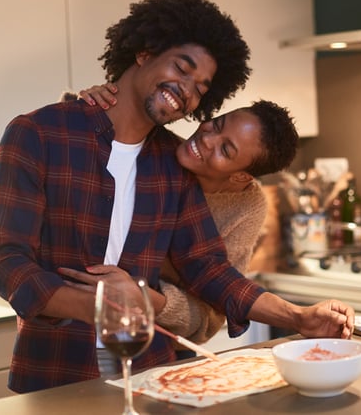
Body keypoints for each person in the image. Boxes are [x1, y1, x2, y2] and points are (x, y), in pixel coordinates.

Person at [0, 0, 354, 394]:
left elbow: (209, 268)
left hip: (151, 375)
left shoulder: (173, 162)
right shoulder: (37, 134)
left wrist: (299, 317)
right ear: (145, 52)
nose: (187, 90)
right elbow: (6, 263)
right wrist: (100, 308)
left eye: (200, 87)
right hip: (53, 372)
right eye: (182, 67)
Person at [70, 85, 298, 351]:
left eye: (226, 150)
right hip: (80, 324)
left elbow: (210, 316)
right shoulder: (155, 149)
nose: (207, 139)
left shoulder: (248, 205)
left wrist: (146, 299)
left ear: (241, 177)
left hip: (159, 347)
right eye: (217, 124)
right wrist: (91, 103)